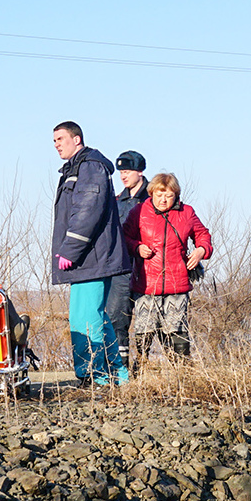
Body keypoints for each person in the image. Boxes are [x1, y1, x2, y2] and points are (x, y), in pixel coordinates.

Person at [50, 122, 130, 386]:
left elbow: (87, 210)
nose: (57, 144)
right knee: (96, 316)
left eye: (61, 138)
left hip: (90, 258)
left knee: (85, 319)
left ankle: (94, 376)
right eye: (54, 141)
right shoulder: (78, 167)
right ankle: (116, 375)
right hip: (90, 258)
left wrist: (70, 248)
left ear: (77, 138)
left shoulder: (89, 166)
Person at [122, 171, 212, 366]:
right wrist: (137, 247)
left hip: (177, 283)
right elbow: (123, 238)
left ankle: (182, 374)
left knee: (177, 331)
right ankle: (141, 370)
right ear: (152, 192)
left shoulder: (187, 213)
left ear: (176, 195)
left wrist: (200, 251)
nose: (163, 200)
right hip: (146, 284)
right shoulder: (138, 212)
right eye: (159, 194)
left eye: (169, 195)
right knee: (144, 331)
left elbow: (203, 235)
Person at [109, 151, 148, 370]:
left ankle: (142, 366)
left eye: (127, 171)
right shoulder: (116, 201)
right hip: (121, 270)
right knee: (117, 319)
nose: (123, 176)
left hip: (147, 270)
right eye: (121, 172)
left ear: (139, 172)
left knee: (147, 323)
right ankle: (119, 369)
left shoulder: (154, 198)